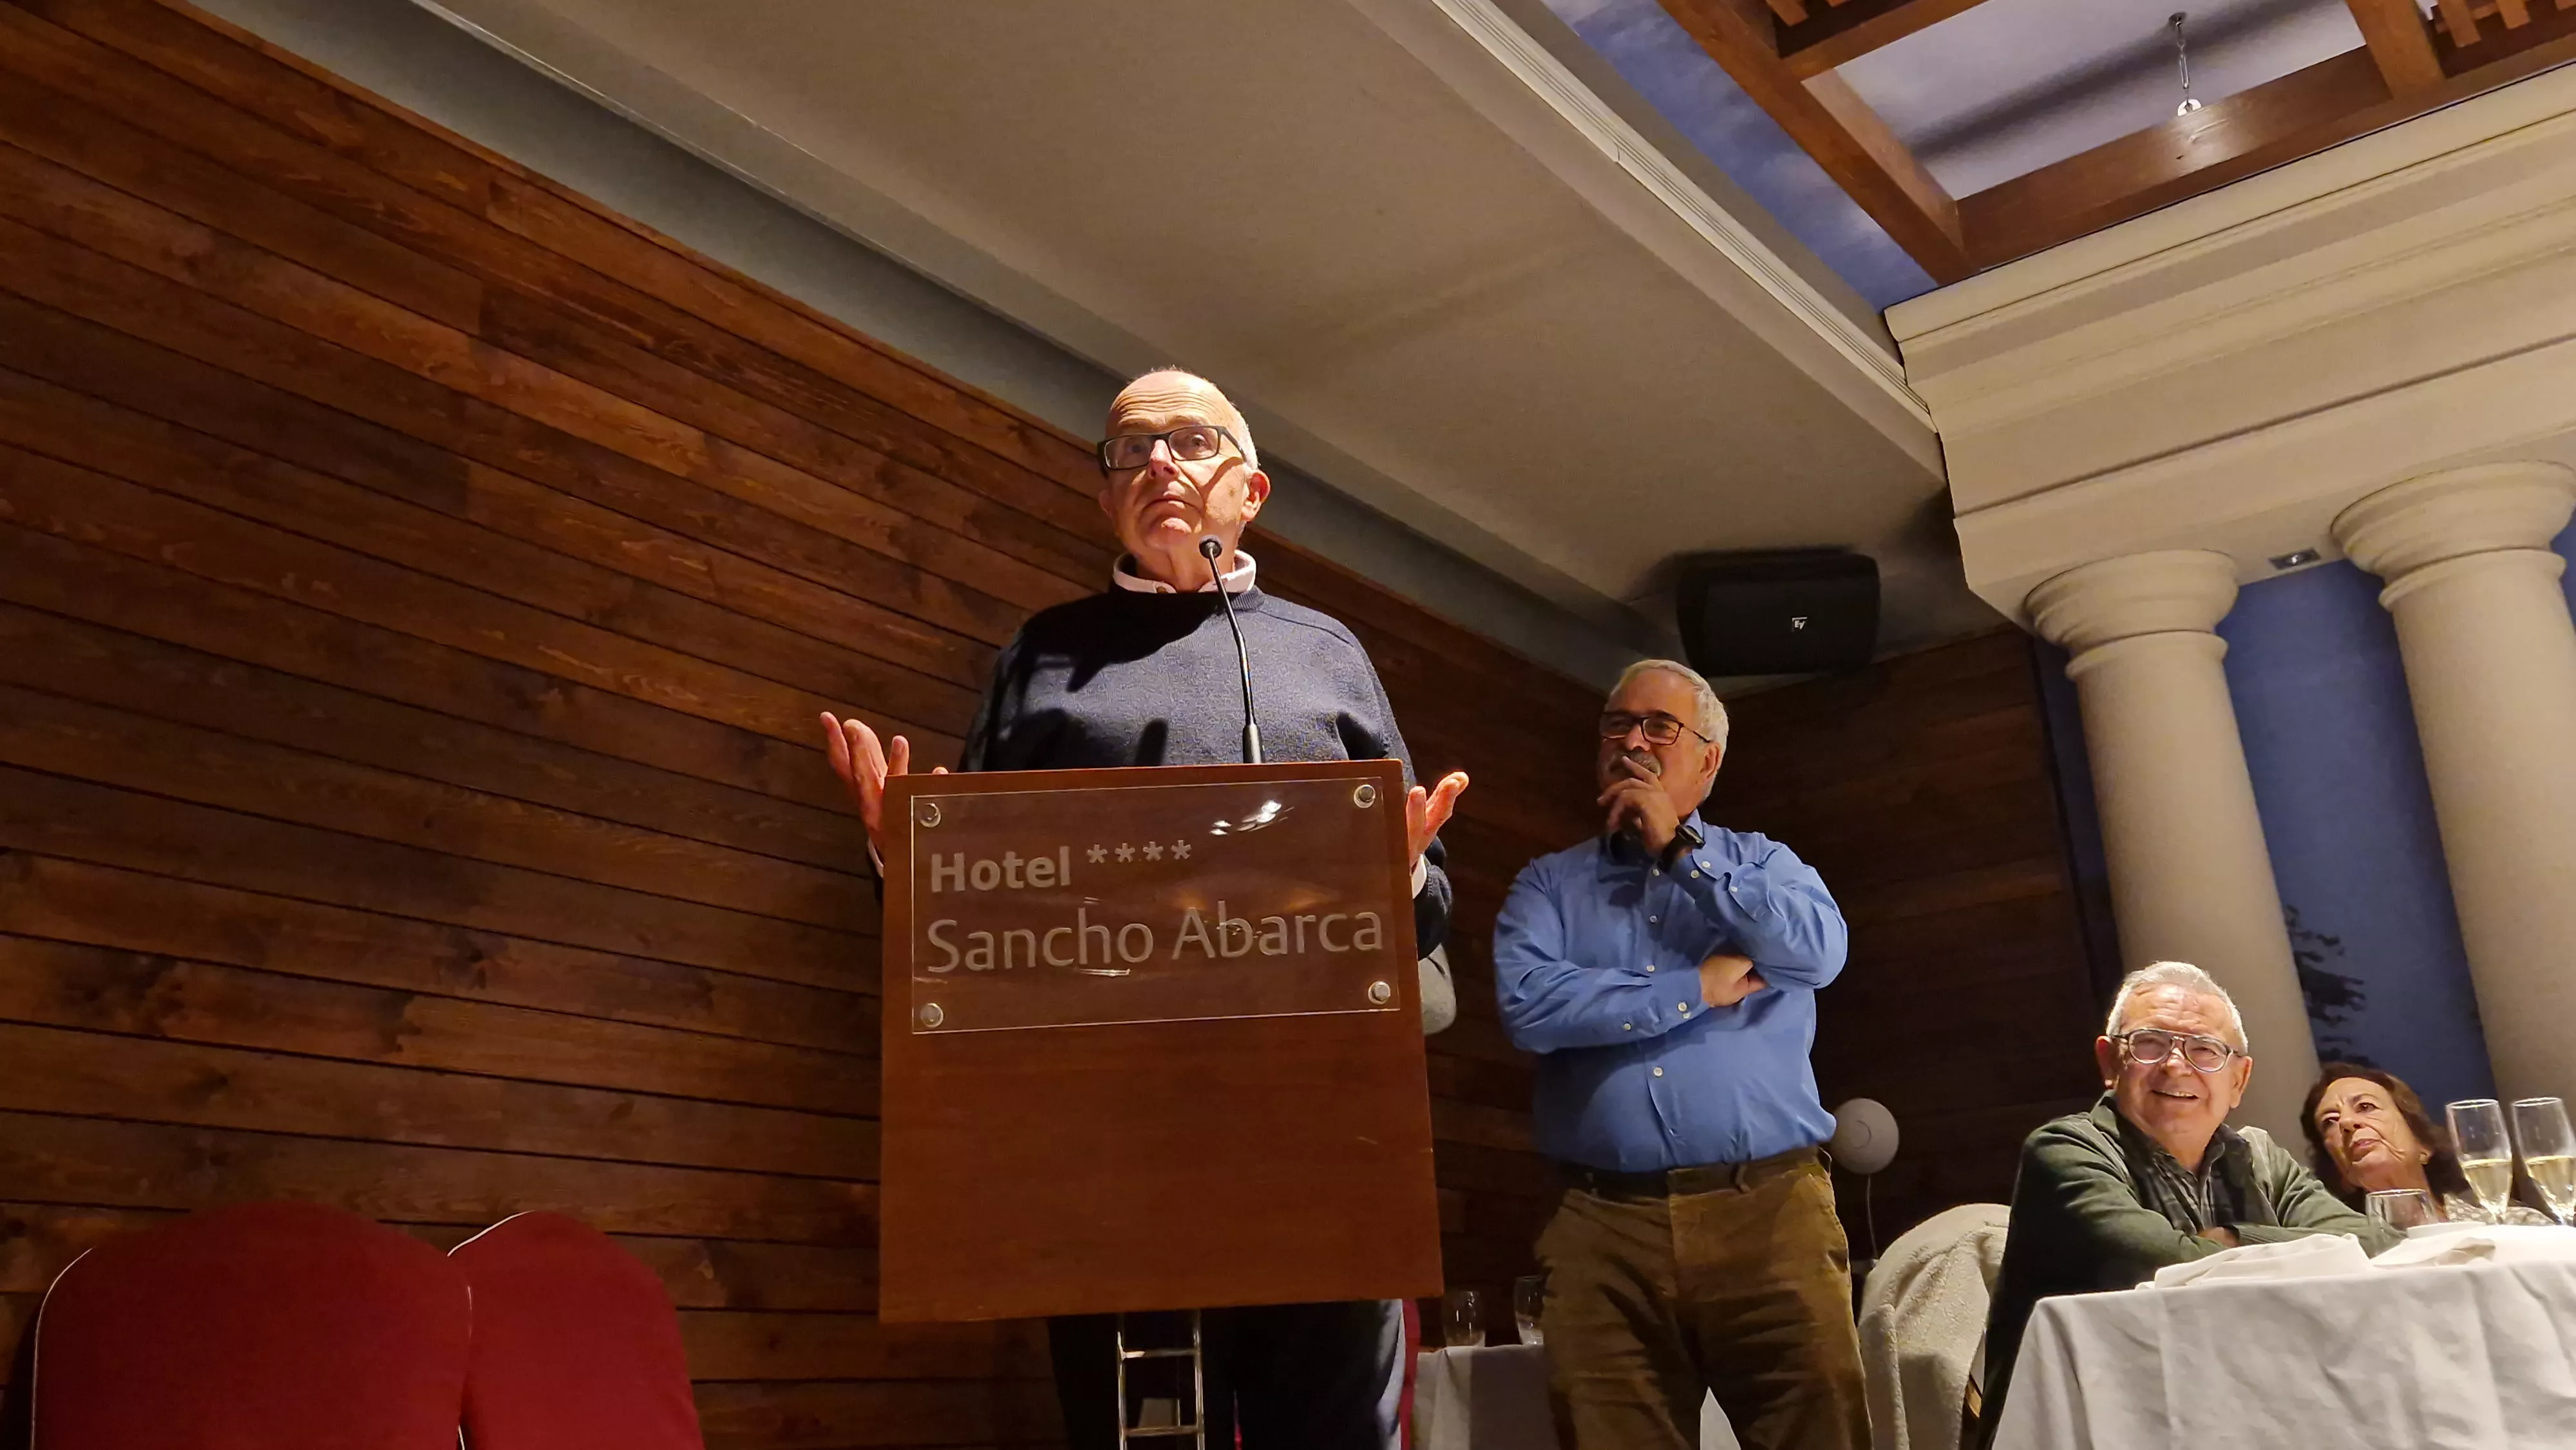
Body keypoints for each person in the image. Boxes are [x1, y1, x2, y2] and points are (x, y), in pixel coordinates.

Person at [818, 368, 1470, 1450]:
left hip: (1317, 1132)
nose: (1159, 461)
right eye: (1131, 448)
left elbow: (1429, 903)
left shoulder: (1327, 655)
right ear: (1107, 496)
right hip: (1108, 1142)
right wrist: (909, 856)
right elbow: (970, 926)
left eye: (1191, 440)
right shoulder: (1042, 656)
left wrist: (1394, 872)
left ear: (1250, 489)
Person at [1493, 658, 1867, 1450]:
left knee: (1817, 1430)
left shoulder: (1764, 865)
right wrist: (1695, 985)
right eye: (1616, 724)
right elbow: (1530, 1008)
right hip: (1599, 1222)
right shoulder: (1548, 885)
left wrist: (1681, 853)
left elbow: (1815, 954)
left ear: (1708, 758)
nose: (1632, 741)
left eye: (1659, 726)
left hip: (1768, 1207)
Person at [1978, 963, 2394, 1442]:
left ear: (2239, 1081)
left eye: (2205, 1050)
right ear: (2110, 1063)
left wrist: (2236, 1237)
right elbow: (2156, 1261)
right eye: (2149, 1043)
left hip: (2241, 1417)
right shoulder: (2066, 1150)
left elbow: (2376, 1241)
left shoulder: (2261, 1159)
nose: (2176, 1065)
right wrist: (2298, 1250)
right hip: (2086, 1431)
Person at [2303, 1064, 2552, 1224]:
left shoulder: (2519, 1225)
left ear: (2423, 1144)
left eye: (2366, 1106)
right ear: (2340, 1173)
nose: (2346, 1122)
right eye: (2330, 1121)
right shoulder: (2344, 1261)